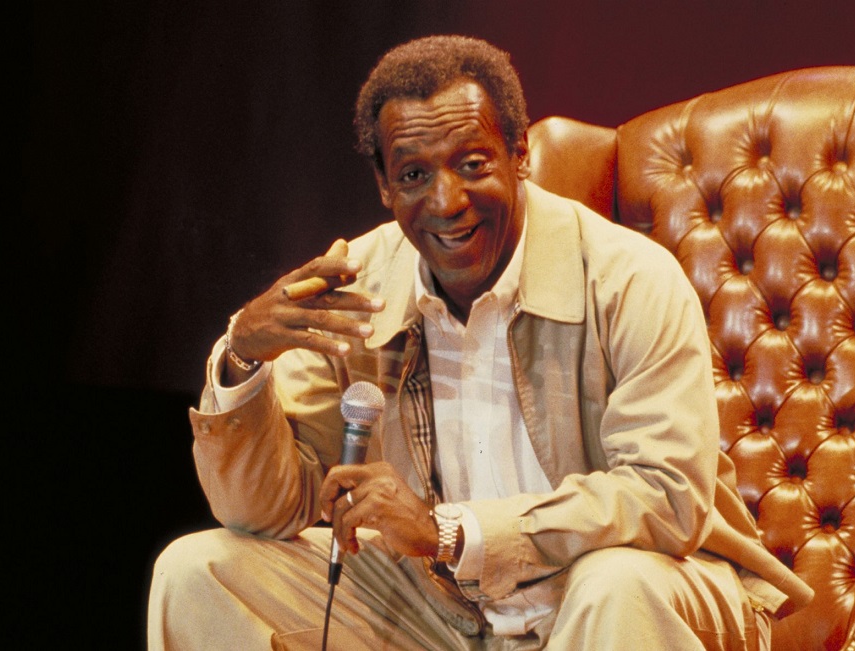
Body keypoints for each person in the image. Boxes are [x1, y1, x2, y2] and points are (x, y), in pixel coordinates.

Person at [148, 35, 812, 650]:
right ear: (384, 185)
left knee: (613, 583)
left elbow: (665, 499)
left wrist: (451, 531)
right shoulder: (360, 290)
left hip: (646, 591)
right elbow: (269, 510)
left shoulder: (629, 278)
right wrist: (242, 357)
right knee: (199, 570)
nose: (446, 201)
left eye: (472, 164)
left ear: (520, 154)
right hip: (449, 606)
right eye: (413, 175)